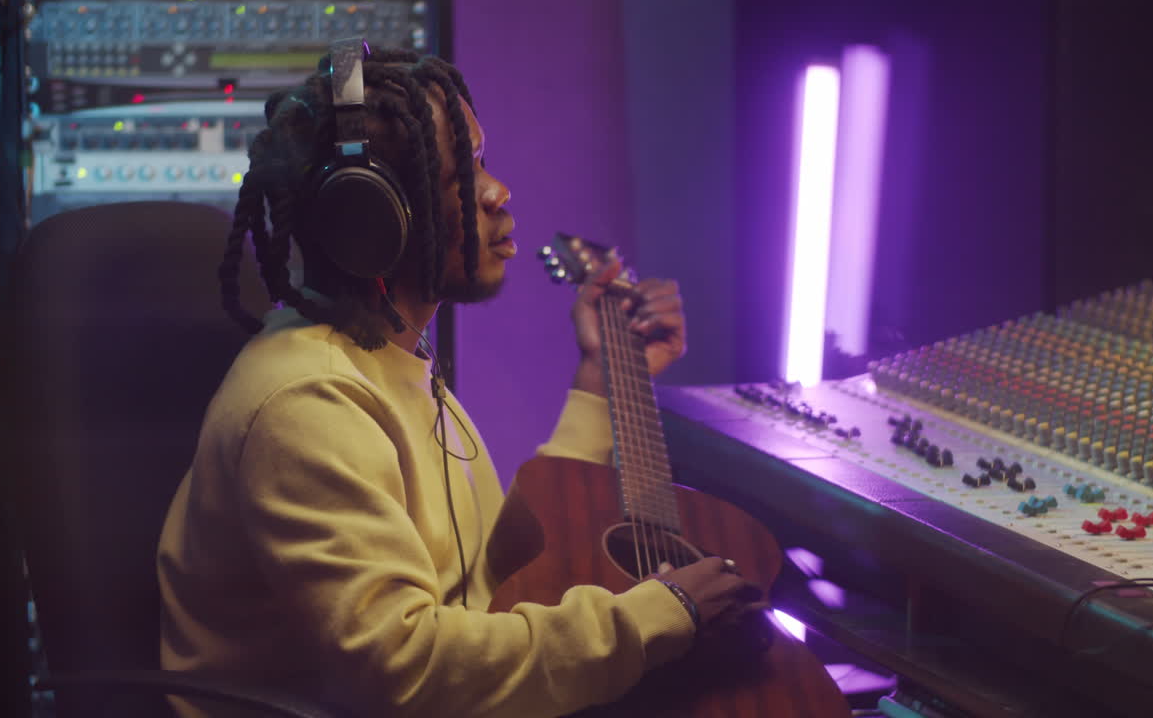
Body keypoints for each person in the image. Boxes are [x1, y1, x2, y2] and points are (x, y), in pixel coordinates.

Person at [156, 45, 765, 718]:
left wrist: (600, 381)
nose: (498, 192)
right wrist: (656, 617)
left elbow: (486, 576)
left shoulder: (387, 355)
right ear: (374, 220)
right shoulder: (307, 403)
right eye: (463, 173)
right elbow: (403, 668)